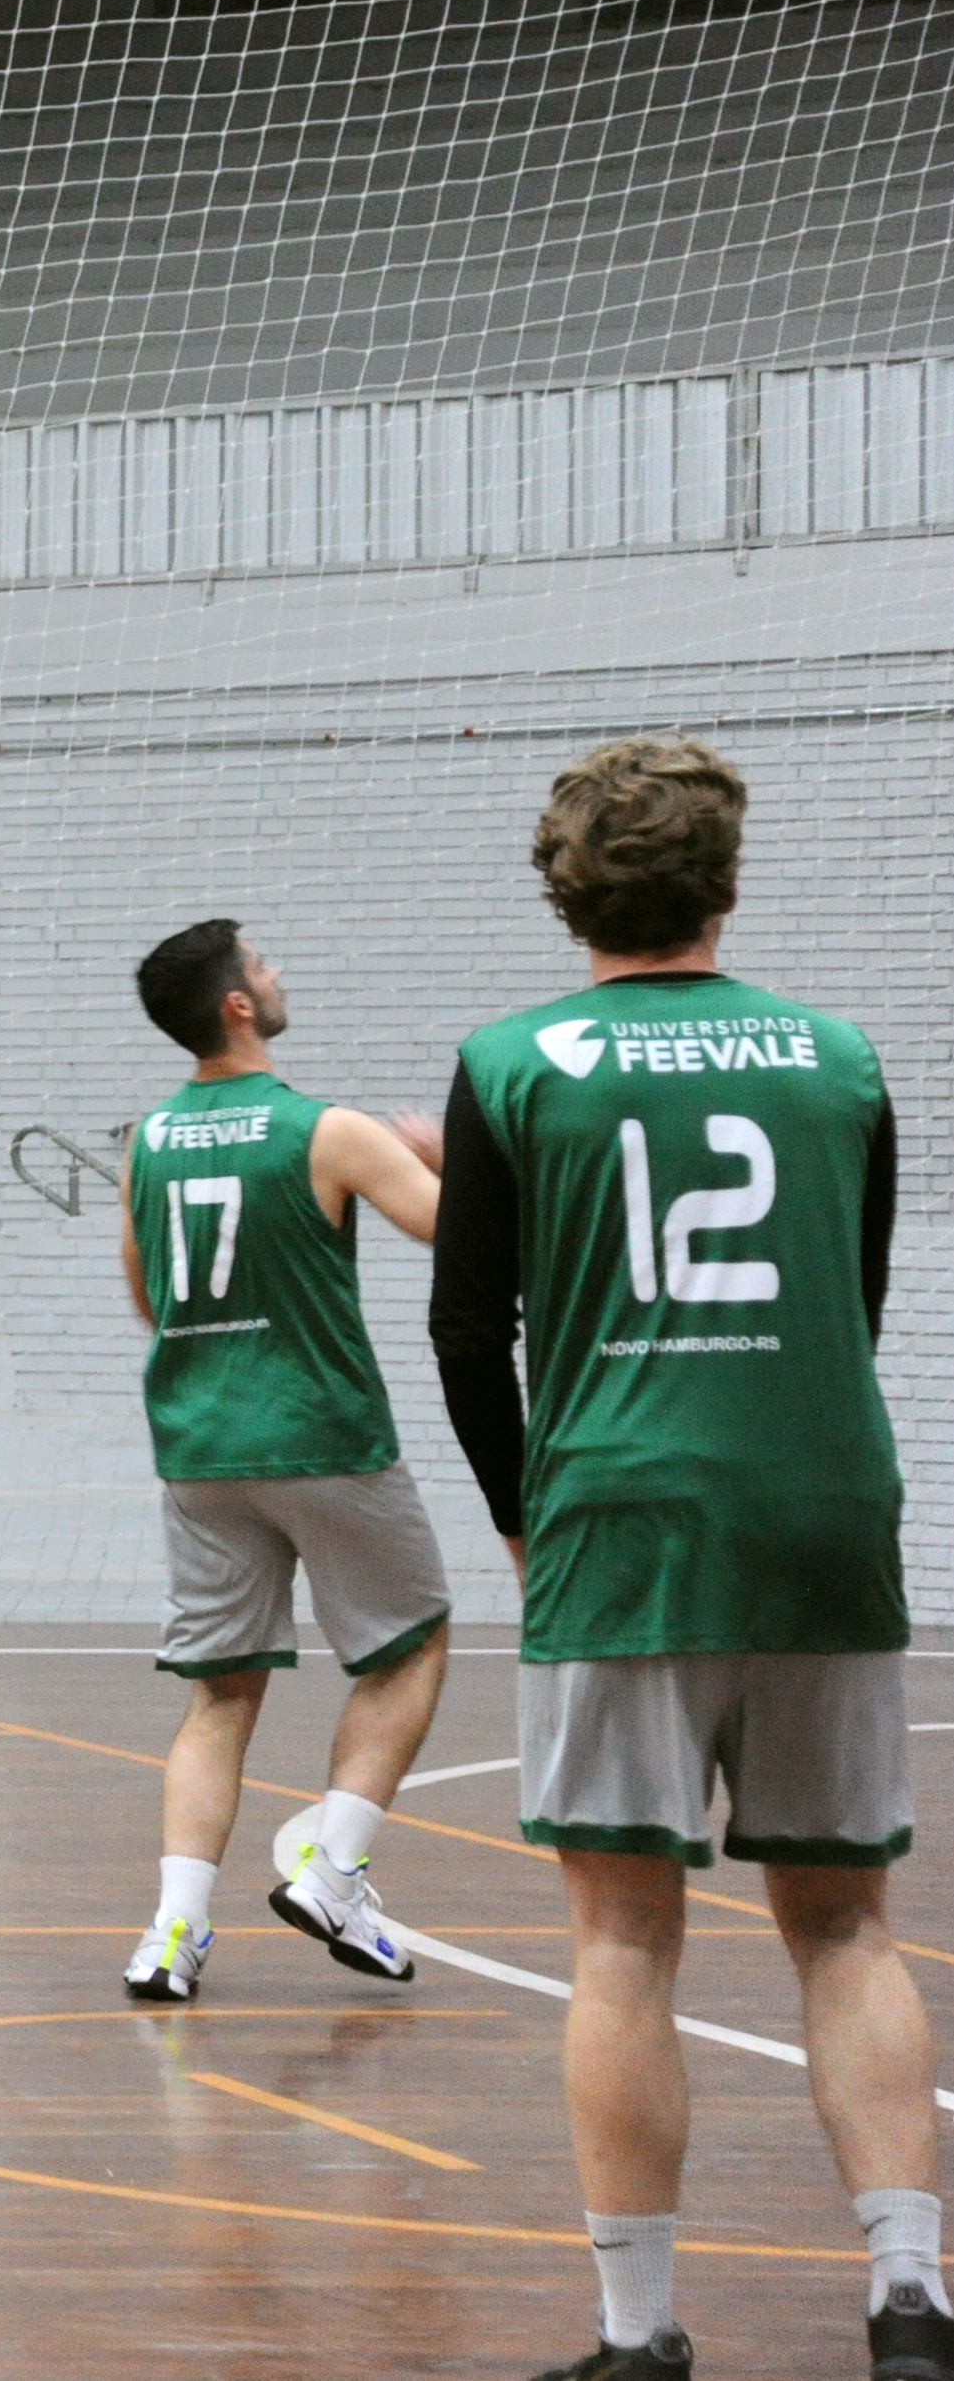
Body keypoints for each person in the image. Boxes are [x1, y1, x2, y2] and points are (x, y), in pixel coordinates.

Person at [418, 743, 939, 2381]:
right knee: (846, 1924)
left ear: (561, 886)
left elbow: (461, 1325)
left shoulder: (511, 1062)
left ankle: (639, 2334)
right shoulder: (839, 1057)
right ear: (725, 880)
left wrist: (521, 1512)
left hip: (620, 1523)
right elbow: (847, 1304)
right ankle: (909, 2300)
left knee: (622, 1938)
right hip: (823, 1515)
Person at [111, 919, 453, 2006]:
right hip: (319, 1433)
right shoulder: (328, 1130)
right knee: (410, 1646)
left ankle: (170, 1935)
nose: (277, 972)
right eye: (262, 965)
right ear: (237, 1007)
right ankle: (333, 1869)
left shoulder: (147, 1141)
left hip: (199, 1449)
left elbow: (146, 1298)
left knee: (219, 1701)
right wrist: (447, 1163)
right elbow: (455, 1233)